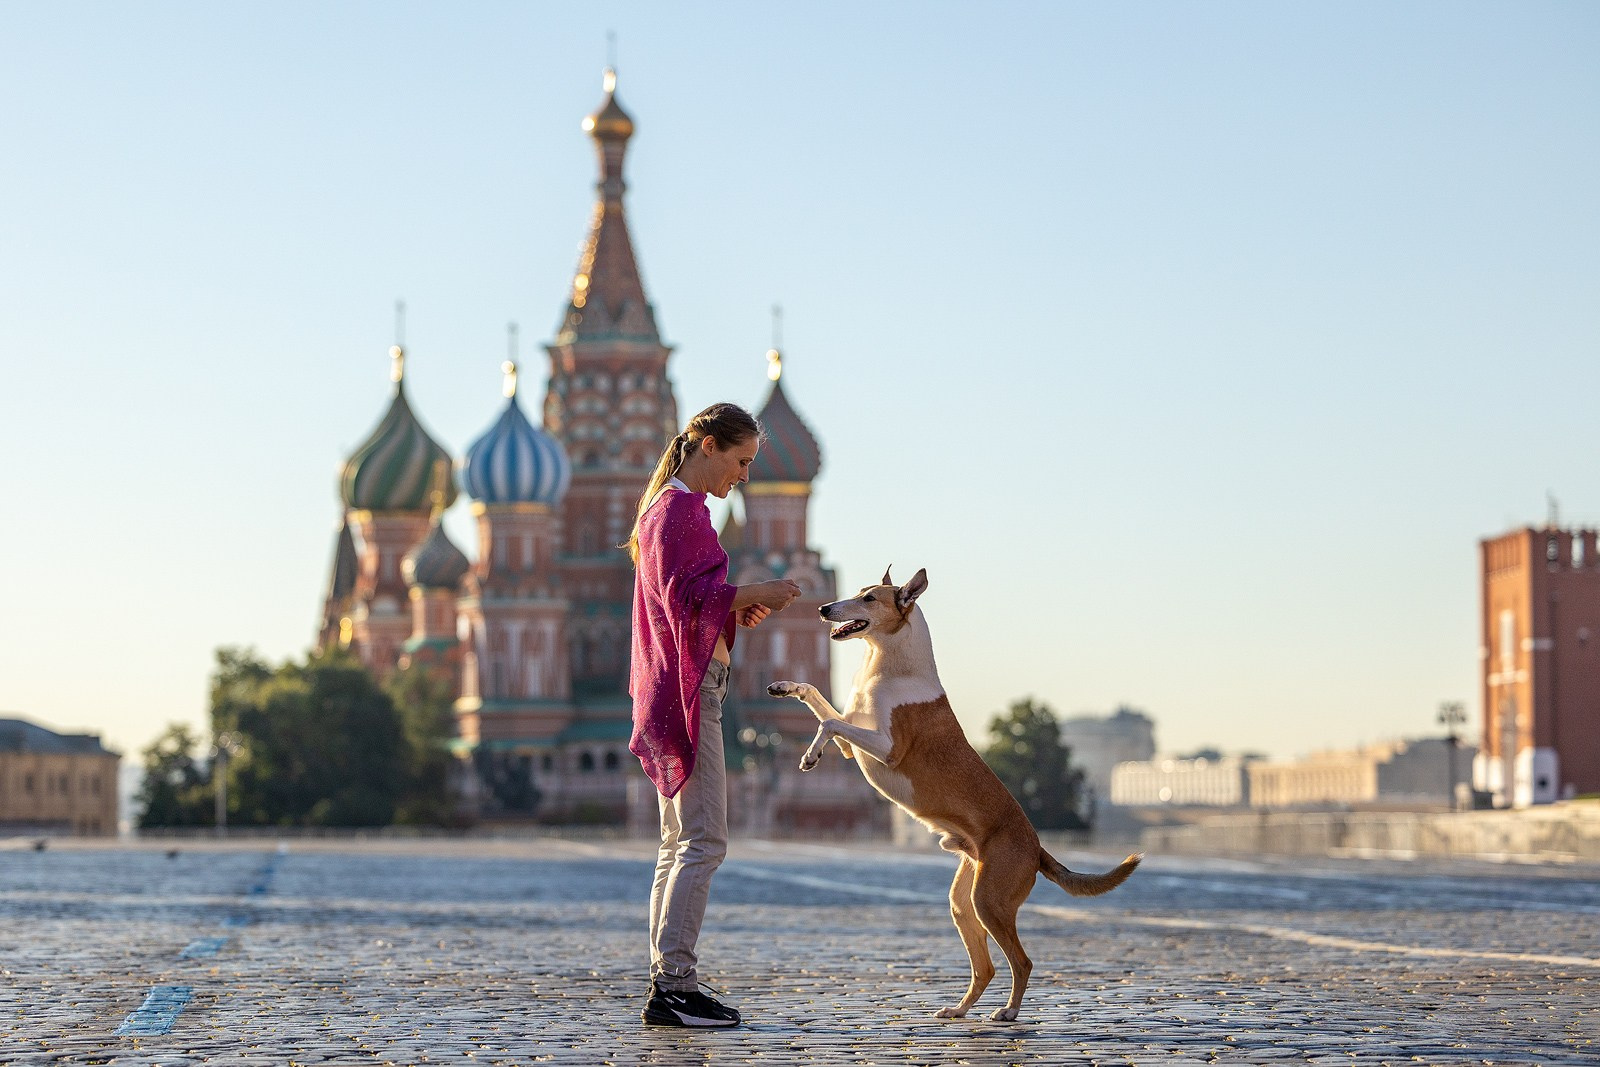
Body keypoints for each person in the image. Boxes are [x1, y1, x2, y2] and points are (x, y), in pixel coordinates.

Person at [626, 402, 802, 1028]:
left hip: (680, 682)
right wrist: (749, 594)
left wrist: (733, 611)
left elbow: (692, 603)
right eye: (741, 460)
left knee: (678, 843)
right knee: (704, 840)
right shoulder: (678, 511)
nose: (745, 477)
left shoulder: (670, 510)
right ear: (706, 445)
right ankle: (675, 987)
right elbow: (682, 599)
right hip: (691, 689)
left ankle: (667, 981)